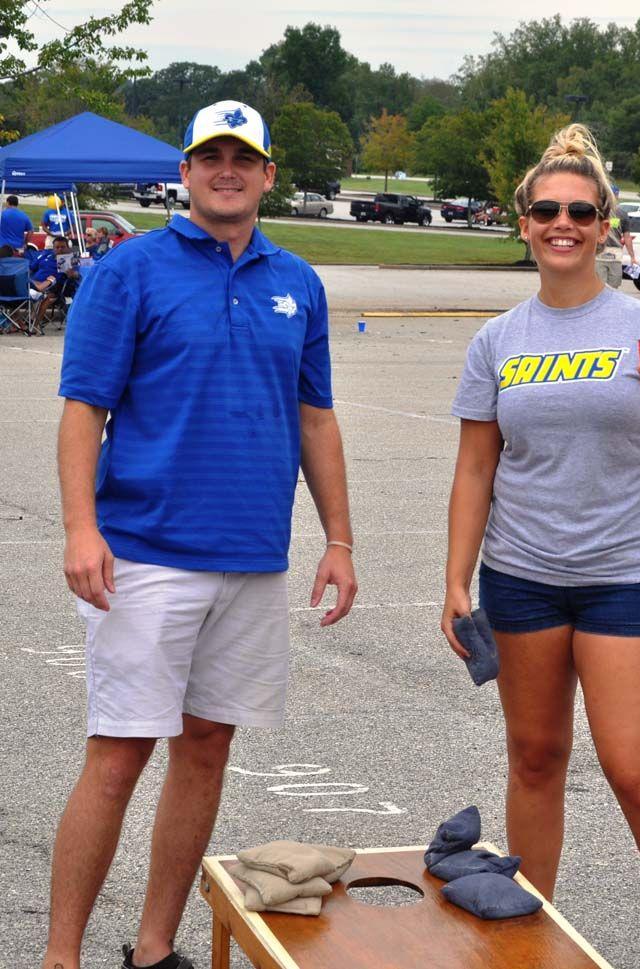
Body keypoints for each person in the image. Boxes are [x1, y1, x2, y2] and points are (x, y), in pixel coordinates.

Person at [45, 99, 358, 969]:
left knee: (207, 750)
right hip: (145, 555)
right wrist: (80, 528)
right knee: (118, 757)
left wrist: (339, 539)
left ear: (267, 174)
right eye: (210, 157)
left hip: (251, 560)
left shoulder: (298, 281)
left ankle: (153, 948)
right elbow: (83, 411)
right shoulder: (128, 271)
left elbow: (316, 416)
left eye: (243, 158)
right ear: (184, 172)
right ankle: (60, 956)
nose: (227, 171)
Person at [441, 124, 640, 969]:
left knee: (634, 769)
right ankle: (531, 942)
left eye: (579, 211)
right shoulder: (498, 340)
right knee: (535, 759)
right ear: (524, 224)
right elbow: (475, 468)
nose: (561, 223)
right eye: (546, 211)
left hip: (625, 578)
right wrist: (456, 581)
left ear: (605, 225)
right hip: (522, 578)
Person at [595, 185, 636, 288]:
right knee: (603, 286)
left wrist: (632, 256)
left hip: (611, 253)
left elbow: (627, 237)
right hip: (603, 252)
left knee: (610, 285)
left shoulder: (621, 214)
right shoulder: (599, 212)